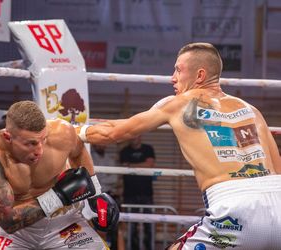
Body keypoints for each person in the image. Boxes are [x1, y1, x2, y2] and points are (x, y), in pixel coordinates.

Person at [78, 42, 281, 249]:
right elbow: (278, 169)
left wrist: (74, 131)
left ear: (200, 75)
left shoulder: (178, 103)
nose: (172, 77)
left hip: (235, 211)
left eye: (178, 69)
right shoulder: (251, 110)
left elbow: (114, 132)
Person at [0, 100, 119, 249]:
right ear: (8, 137)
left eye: (43, 140)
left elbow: (78, 152)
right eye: (31, 143)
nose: (39, 150)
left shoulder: (62, 132)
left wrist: (95, 194)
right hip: (14, 233)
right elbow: (8, 221)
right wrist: (59, 196)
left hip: (64, 223)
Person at [119, 135, 155, 250]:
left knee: (148, 224)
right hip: (130, 193)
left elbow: (149, 165)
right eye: (132, 135)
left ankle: (149, 248)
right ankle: (132, 248)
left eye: (137, 135)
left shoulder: (148, 149)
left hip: (146, 193)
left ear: (140, 137)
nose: (134, 138)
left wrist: (131, 166)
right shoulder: (124, 151)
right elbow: (124, 167)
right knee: (131, 226)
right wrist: (141, 165)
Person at [91, 144, 122, 250]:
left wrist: (100, 180)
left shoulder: (109, 159)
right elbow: (91, 179)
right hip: (94, 199)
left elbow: (114, 179)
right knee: (96, 228)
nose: (101, 145)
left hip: (108, 197)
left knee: (113, 229)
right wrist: (101, 180)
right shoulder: (89, 157)